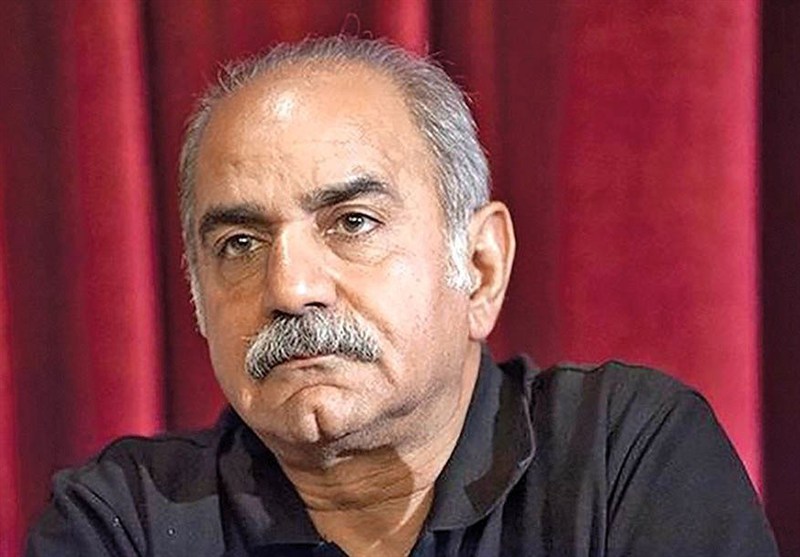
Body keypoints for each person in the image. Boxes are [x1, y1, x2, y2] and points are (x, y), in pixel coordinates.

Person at [27, 36, 778, 557]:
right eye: (241, 244)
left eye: (352, 222)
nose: (290, 288)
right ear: (196, 295)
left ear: (479, 266)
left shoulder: (621, 460)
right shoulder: (123, 521)